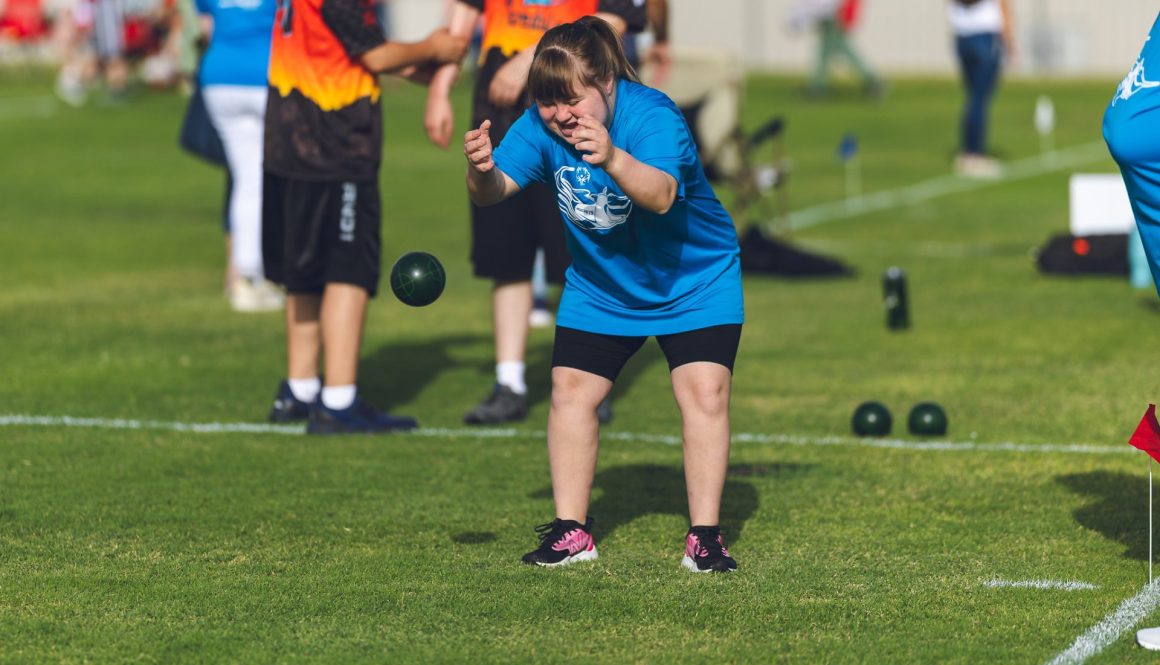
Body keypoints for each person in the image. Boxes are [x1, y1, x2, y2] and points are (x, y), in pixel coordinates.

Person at [463, 16, 744, 572]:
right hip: (603, 286)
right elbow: (494, 194)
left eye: (572, 99)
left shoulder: (655, 116)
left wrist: (612, 156)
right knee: (569, 392)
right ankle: (572, 532)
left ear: (607, 84)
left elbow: (662, 195)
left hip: (693, 279)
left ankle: (705, 539)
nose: (560, 114)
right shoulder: (540, 127)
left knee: (704, 394)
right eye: (547, 101)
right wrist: (480, 170)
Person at [424, 0, 644, 426]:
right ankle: (510, 384)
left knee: (582, 259)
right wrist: (439, 89)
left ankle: (591, 380)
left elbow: (612, 26)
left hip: (574, 129)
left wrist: (531, 59)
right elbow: (462, 23)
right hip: (501, 119)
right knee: (508, 260)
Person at [261, 0, 467, 433]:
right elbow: (374, 55)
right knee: (347, 270)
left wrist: (423, 68)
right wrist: (432, 47)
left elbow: (351, 48)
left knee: (304, 271)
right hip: (334, 145)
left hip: (288, 142)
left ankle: (298, 389)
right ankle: (338, 400)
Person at [196, 0, 284, 312]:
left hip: (219, 76)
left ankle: (246, 274)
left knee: (247, 179)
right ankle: (254, 275)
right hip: (266, 74)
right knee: (264, 179)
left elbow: (205, 25)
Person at [949, 0, 1014, 178]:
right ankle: (974, 155)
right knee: (979, 98)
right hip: (985, 34)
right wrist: (1009, 40)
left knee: (973, 98)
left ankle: (968, 151)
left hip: (962, 36)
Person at [790, 0, 882, 98]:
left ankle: (871, 80)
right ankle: (818, 85)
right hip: (830, 15)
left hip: (835, 16)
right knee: (827, 51)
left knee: (839, 50)